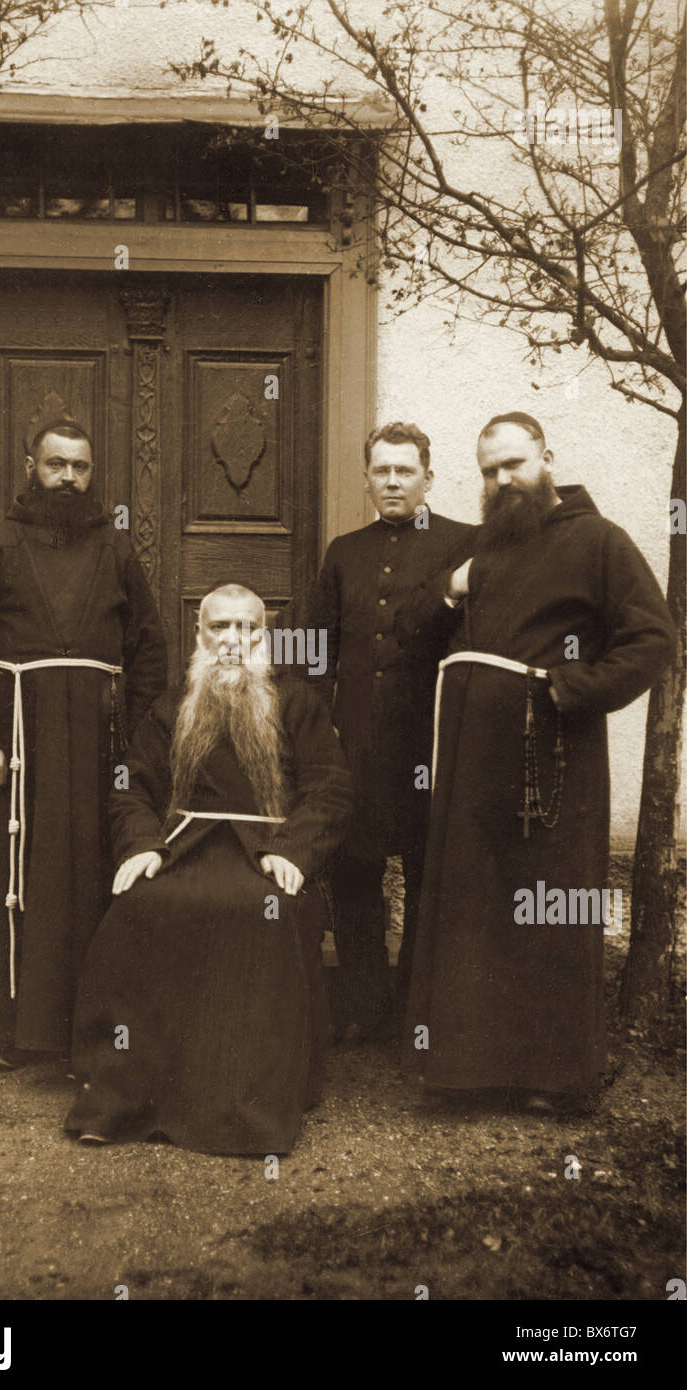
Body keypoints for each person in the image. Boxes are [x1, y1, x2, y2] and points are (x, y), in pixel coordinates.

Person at [397, 411, 676, 1110]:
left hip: (554, 760)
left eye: (513, 464)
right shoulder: (483, 550)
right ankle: (465, 1073)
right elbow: (410, 635)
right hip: (473, 762)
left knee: (546, 914)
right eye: (488, 469)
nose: (501, 480)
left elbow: (651, 639)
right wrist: (450, 590)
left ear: (547, 457)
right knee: (475, 910)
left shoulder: (599, 542)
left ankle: (555, 1081)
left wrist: (567, 689)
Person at [64, 584, 353, 1154]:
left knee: (259, 912)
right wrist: (143, 845)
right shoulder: (174, 705)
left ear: (263, 637)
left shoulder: (297, 702)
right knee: (139, 906)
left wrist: (294, 852)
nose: (232, 640)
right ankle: (123, 1097)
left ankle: (244, 1108)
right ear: (199, 635)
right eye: (219, 627)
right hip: (184, 848)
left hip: (268, 851)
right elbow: (131, 784)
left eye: (246, 628)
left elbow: (330, 789)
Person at [0, 395, 167, 1069]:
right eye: (55, 465)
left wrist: (137, 744)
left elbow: (150, 649)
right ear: (30, 467)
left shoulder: (116, 548)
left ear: (92, 474)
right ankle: (4, 1033)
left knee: (89, 875)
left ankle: (84, 1032)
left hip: (96, 744)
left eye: (80, 467)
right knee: (10, 880)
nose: (68, 478)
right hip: (16, 742)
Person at [303, 422, 474, 1039]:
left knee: (431, 875)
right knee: (355, 874)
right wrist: (319, 730)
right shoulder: (343, 551)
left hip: (434, 740)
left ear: (429, 475)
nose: (394, 482)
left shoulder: (466, 544)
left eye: (406, 470)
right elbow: (317, 648)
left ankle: (418, 1011)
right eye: (382, 471)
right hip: (362, 743)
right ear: (367, 478)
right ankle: (364, 1008)